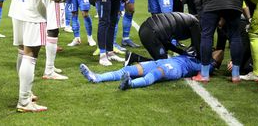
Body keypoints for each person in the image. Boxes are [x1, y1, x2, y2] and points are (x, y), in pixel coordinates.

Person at [191, 0, 243, 83]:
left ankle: (204, 74)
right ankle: (236, 75)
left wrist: (200, 12)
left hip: (212, 1)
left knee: (207, 35)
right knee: (235, 36)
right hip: (234, 1)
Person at [79, 54, 216, 90]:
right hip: (162, 61)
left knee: (155, 74)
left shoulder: (205, 66)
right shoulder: (193, 51)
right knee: (128, 69)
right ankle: (97, 77)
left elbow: (219, 54)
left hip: (176, 69)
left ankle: (130, 84)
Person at [136, 12, 200, 60]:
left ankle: (136, 58)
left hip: (145, 29)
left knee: (162, 59)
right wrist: (202, 61)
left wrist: (180, 51)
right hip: (152, 34)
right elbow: (197, 46)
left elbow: (166, 43)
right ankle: (136, 58)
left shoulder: (188, 18)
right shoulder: (196, 24)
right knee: (163, 63)